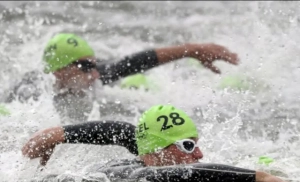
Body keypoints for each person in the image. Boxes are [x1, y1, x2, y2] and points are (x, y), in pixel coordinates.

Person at [22, 104, 300, 182]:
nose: (200, 153)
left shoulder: (147, 152)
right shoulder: (133, 174)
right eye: (188, 146)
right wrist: (259, 179)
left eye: (196, 144)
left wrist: (62, 134)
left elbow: (123, 131)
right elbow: (183, 174)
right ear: (159, 150)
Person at [5, 33, 239, 122]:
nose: (95, 74)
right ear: (59, 71)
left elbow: (137, 61)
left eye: (95, 65)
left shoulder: (94, 77)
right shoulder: (30, 93)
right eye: (86, 67)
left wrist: (191, 49)